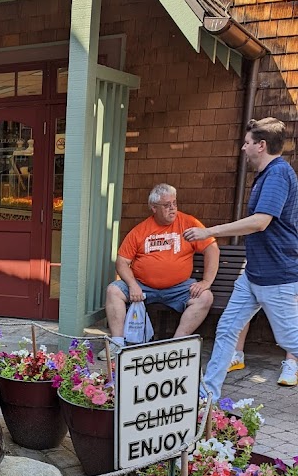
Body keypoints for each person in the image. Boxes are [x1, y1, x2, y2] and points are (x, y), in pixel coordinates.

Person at [185, 117, 298, 396]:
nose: (242, 148)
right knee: (226, 329)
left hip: (277, 276)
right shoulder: (266, 175)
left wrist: (208, 231)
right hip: (253, 276)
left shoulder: (277, 174)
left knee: (290, 339)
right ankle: (208, 395)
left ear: (261, 146)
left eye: (247, 143)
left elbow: (260, 222)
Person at [105, 183, 220, 346]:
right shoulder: (140, 230)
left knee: (205, 297)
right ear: (153, 207)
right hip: (143, 286)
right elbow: (122, 261)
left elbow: (211, 249)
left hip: (178, 288)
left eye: (174, 203)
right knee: (113, 290)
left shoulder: (188, 223)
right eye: (167, 205)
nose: (172, 208)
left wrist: (206, 282)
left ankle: (175, 345)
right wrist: (132, 284)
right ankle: (116, 344)